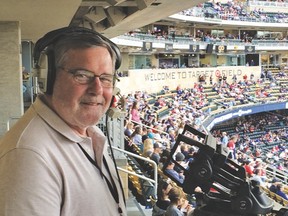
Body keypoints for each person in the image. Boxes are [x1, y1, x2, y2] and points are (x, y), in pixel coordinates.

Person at [0, 27, 126, 215]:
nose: (98, 89)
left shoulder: (90, 132)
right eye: (82, 75)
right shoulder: (29, 155)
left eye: (106, 78)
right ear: (46, 77)